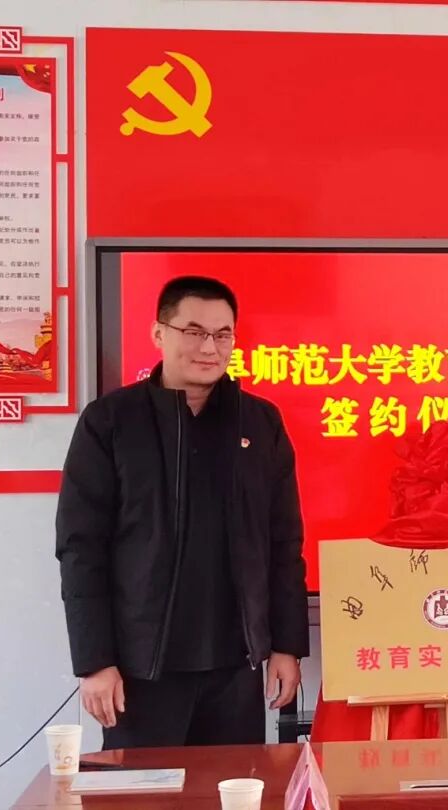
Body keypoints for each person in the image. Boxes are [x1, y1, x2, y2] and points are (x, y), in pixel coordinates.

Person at [56, 275, 309, 748]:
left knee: (234, 785)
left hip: (236, 667)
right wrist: (94, 661)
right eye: (193, 332)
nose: (209, 348)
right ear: (159, 334)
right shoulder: (110, 422)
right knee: (142, 788)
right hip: (141, 669)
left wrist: (287, 646)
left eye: (222, 334)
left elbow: (283, 542)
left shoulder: (259, 422)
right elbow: (80, 548)